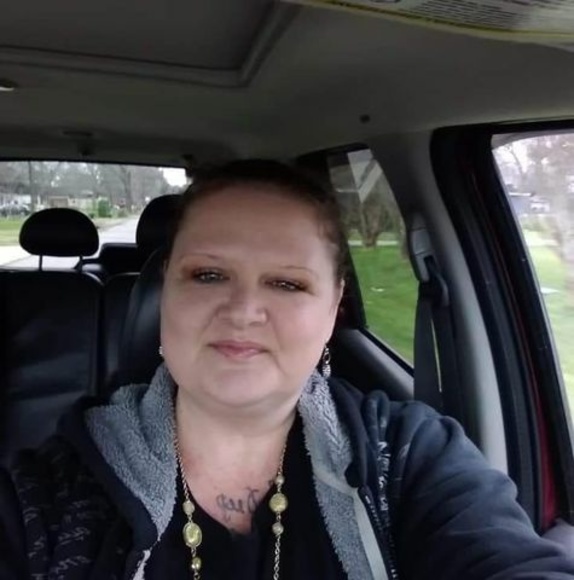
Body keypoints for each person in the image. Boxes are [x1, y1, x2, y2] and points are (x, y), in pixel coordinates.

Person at [1, 159, 574, 580]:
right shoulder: (46, 494)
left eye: (286, 283)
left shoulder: (409, 457)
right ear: (163, 290)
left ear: (333, 307)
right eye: (208, 275)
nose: (244, 311)